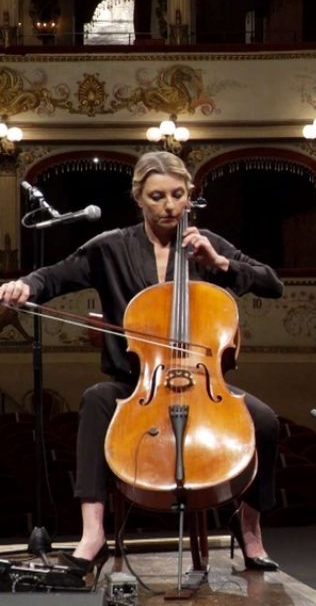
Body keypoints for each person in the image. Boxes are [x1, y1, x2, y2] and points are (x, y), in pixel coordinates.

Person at [0, 151, 284, 577]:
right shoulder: (110, 247)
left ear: (189, 196)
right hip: (136, 383)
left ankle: (250, 531)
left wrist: (218, 263)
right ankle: (92, 533)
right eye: (157, 196)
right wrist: (25, 284)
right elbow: (56, 275)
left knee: (265, 421)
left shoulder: (206, 244)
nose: (169, 205)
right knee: (96, 400)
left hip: (204, 383)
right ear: (139, 198)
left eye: (177, 195)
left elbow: (272, 284)